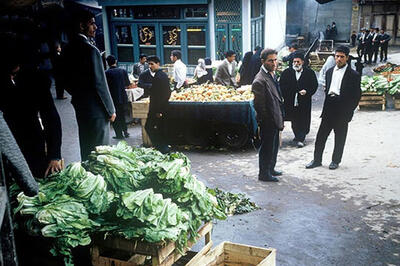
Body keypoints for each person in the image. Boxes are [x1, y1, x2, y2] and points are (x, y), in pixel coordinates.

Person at [0, 33, 63, 178]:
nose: (11, 77)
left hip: (32, 145)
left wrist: (54, 155)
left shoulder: (35, 78)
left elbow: (51, 117)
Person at [63, 9, 116, 161]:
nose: (96, 27)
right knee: (100, 154)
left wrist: (79, 94)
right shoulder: (90, 50)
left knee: (86, 149)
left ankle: (87, 179)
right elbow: (100, 83)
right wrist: (110, 109)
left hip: (81, 106)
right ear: (81, 26)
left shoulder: (67, 48)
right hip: (97, 109)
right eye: (92, 24)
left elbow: (64, 80)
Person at [306, 46, 361, 170]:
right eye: (337, 56)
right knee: (321, 136)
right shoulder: (330, 71)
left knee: (340, 136)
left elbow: (356, 95)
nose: (339, 59)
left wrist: (349, 111)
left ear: (347, 58)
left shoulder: (353, 75)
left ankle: (335, 160)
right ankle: (317, 160)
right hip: (329, 106)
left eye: (342, 57)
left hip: (343, 107)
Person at [252, 48, 284, 182]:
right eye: (270, 60)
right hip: (268, 120)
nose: (274, 63)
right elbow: (260, 106)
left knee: (274, 146)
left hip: (275, 117)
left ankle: (271, 168)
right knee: (267, 148)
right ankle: (264, 174)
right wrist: (268, 121)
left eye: (275, 60)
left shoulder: (271, 74)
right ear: (263, 61)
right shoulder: (259, 80)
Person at [280, 53, 318, 148]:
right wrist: (288, 93)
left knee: (303, 119)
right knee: (294, 119)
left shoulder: (309, 73)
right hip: (290, 101)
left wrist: (307, 91)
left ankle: (301, 138)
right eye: (294, 62)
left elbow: (314, 85)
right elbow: (281, 85)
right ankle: (297, 136)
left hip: (304, 101)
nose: (296, 64)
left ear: (302, 62)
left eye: (298, 62)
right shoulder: (287, 73)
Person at [144, 55, 171, 154]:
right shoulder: (161, 75)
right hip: (157, 108)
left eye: (152, 64)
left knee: (149, 127)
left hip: (156, 109)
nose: (150, 66)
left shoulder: (159, 76)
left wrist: (159, 111)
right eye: (149, 64)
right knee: (156, 128)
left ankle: (162, 148)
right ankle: (162, 147)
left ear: (158, 64)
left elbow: (165, 94)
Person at [105, 55, 130, 139]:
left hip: (112, 98)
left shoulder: (106, 73)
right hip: (122, 97)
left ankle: (119, 134)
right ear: (115, 61)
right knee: (123, 115)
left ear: (107, 63)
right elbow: (127, 84)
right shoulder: (123, 71)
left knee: (115, 116)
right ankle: (126, 132)